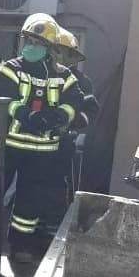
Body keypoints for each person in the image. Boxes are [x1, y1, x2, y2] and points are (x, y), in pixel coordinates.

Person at [0, 13, 85, 263]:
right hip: (9, 145)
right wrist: (28, 115)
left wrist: (60, 116)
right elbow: (4, 98)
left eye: (37, 43)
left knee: (30, 201)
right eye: (27, 40)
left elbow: (76, 102)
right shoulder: (10, 68)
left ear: (49, 48)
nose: (30, 46)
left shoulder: (65, 76)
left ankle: (20, 247)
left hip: (44, 152)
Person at [54, 28, 99, 199]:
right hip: (36, 143)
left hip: (65, 144)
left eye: (60, 51)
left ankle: (55, 223)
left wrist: (71, 123)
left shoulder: (81, 81)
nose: (56, 55)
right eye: (54, 49)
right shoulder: (40, 74)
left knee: (60, 188)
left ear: (71, 56)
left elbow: (90, 110)